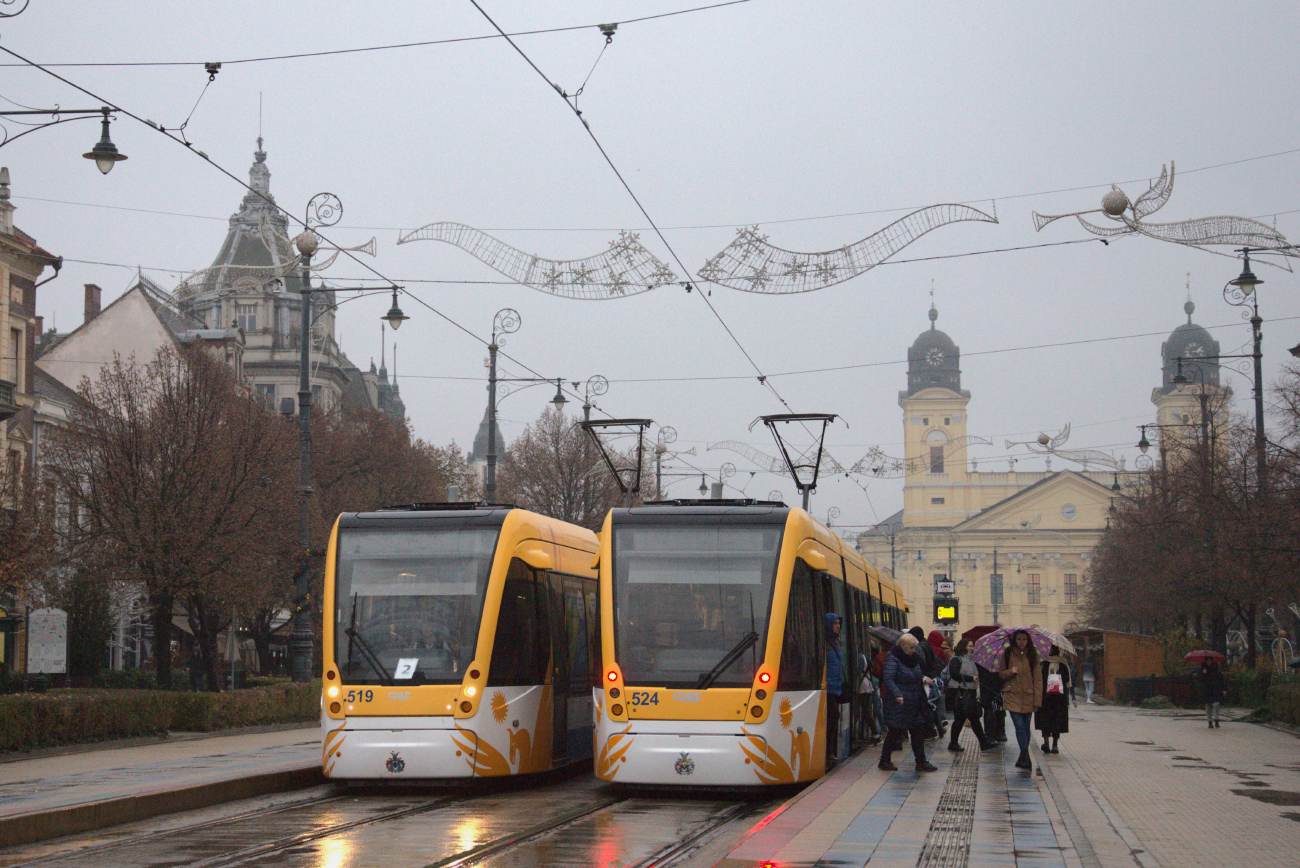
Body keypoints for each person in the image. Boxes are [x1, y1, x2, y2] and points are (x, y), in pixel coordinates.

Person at [879, 632, 937, 772]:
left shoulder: (913, 659)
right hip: (899, 702)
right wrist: (897, 694)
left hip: (914, 700)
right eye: (911, 647)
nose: (913, 650)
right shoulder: (893, 658)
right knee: (895, 731)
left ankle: (921, 762)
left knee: (918, 730)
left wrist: (923, 679)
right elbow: (888, 678)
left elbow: (915, 675)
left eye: (914, 647)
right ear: (903, 646)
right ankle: (884, 760)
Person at [1000, 629, 1043, 769]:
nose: (1021, 642)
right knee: (1019, 726)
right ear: (1014, 640)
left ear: (1028, 640)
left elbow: (1037, 679)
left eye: (1024, 639)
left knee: (1025, 728)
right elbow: (1000, 674)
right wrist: (1010, 672)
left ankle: (1023, 757)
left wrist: (1038, 699)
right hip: (1012, 695)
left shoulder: (1032, 655)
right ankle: (1026, 754)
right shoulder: (1008, 654)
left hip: (1028, 696)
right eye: (1018, 639)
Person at [946, 639, 995, 751]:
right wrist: (970, 678)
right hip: (960, 692)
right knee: (962, 718)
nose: (972, 648)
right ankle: (980, 742)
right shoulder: (956, 659)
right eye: (970, 646)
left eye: (972, 646)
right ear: (963, 647)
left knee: (971, 718)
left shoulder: (972, 660)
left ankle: (981, 742)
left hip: (969, 692)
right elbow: (954, 674)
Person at [907, 626, 947, 740]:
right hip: (930, 677)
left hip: (925, 679)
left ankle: (930, 730)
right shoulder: (926, 645)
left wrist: (924, 675)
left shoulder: (920, 647)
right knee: (930, 705)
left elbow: (923, 664)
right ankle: (938, 729)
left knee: (926, 706)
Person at [1035, 646, 1073, 753]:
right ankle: (1046, 742)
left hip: (1058, 697)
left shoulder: (1062, 663)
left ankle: (1055, 744)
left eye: (1050, 649)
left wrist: (1056, 675)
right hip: (1045, 697)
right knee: (1045, 719)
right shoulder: (1043, 662)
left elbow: (1067, 679)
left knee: (1057, 720)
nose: (1048, 650)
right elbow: (1038, 677)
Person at [824, 613, 848, 760]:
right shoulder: (824, 643)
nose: (838, 626)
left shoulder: (836, 642)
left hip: (836, 687)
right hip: (828, 687)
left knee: (834, 718)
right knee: (833, 716)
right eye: (835, 623)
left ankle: (830, 750)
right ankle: (828, 751)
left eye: (839, 623)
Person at [1199, 659, 1226, 729]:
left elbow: (1221, 680)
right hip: (1207, 690)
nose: (1209, 662)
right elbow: (1200, 680)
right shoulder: (1203, 669)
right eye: (1208, 661)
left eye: (1210, 660)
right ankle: (1210, 722)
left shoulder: (1216, 670)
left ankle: (1216, 720)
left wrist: (1224, 689)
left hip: (1215, 690)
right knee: (1208, 707)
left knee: (1216, 704)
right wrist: (1203, 673)